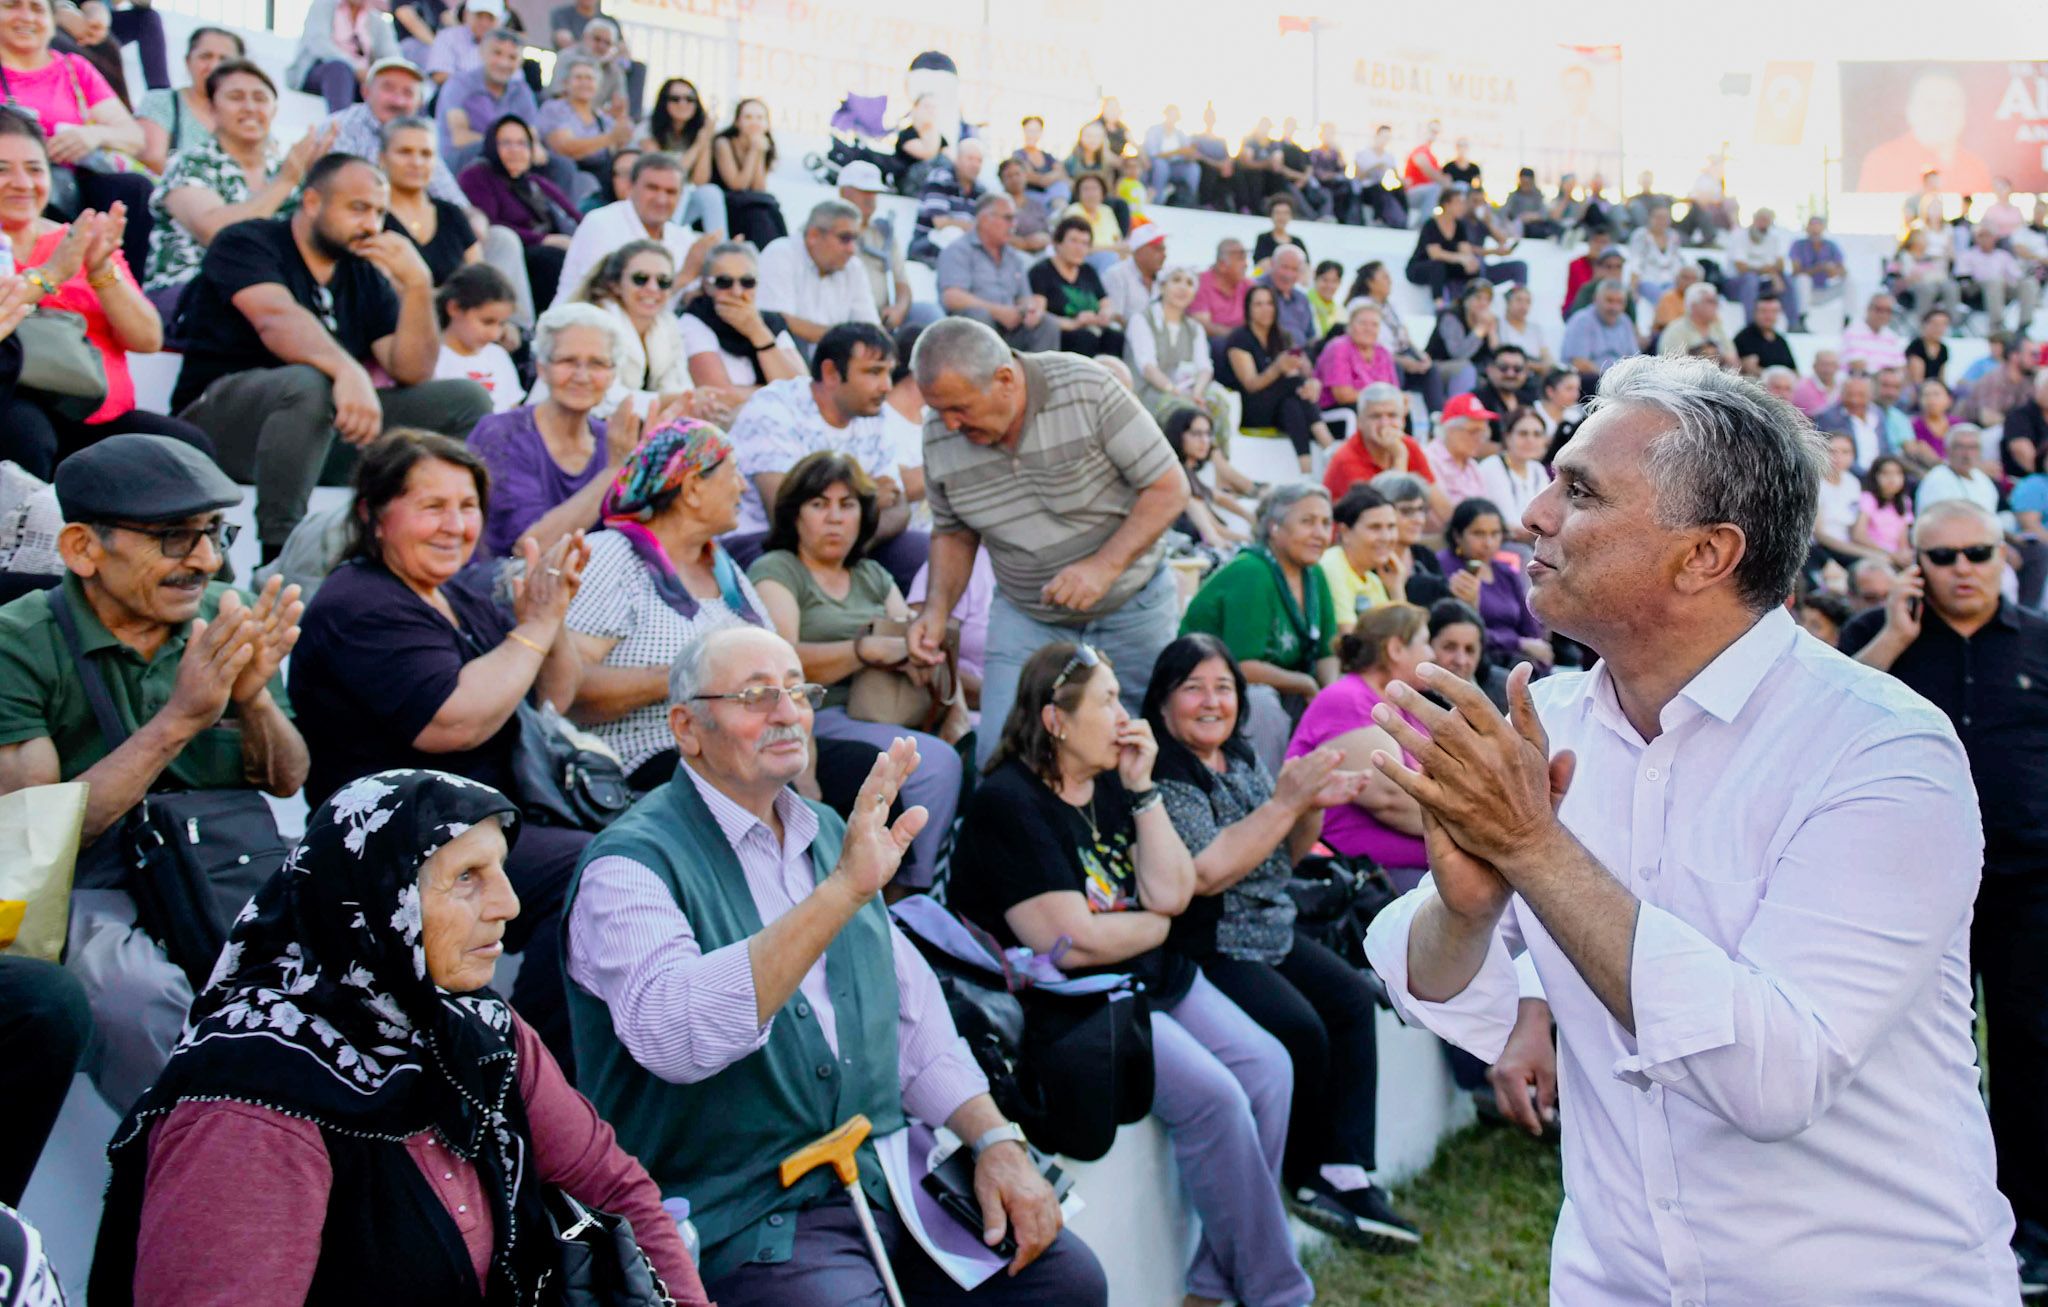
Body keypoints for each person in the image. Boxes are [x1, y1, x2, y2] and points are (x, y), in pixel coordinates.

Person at [1361, 353, 2017, 1304]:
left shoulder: (1883, 750)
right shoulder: (1552, 724)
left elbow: (1774, 1077)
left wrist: (1536, 849)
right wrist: (1465, 910)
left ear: (1706, 553)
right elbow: (1429, 980)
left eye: (1578, 489)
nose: (1535, 515)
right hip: (1616, 1278)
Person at [564, 625, 1105, 1303]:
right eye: (756, 695)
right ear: (687, 726)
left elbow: (914, 1025)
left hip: (883, 1180)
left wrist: (997, 1141)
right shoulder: (628, 865)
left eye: (797, 690)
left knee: (1065, 1281)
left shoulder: (826, 832)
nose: (788, 711)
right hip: (743, 1216)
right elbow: (679, 1037)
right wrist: (843, 891)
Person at [88, 769, 711, 1307]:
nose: (509, 903)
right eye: (467, 877)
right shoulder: (253, 1104)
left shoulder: (475, 1028)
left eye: (500, 870)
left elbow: (614, 1188)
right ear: (375, 900)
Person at [949, 638, 1306, 1306]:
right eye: (1107, 700)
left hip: (1150, 976)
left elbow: (1170, 893)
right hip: (1082, 1003)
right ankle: (1279, 1292)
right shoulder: (1010, 802)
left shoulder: (1119, 781)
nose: (1123, 715)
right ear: (1056, 717)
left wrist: (1143, 792)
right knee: (1219, 1100)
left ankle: (1212, 1282)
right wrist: (1153, 924)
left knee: (1269, 1070)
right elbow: (1072, 942)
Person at [0, 435, 305, 1115]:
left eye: (214, 533)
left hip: (220, 859)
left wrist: (253, 699)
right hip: (87, 882)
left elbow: (288, 779)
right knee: (138, 1001)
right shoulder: (17, 640)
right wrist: (178, 720)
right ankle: (198, 1169)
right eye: (173, 537)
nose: (205, 560)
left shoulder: (226, 613)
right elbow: (34, 843)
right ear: (83, 548)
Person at [1140, 633, 1420, 1249]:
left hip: (1269, 925)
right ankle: (1305, 1175)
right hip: (1211, 942)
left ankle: (1346, 1171)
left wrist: (1310, 808)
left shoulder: (1238, 759)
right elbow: (1208, 873)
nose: (1213, 702)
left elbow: (1288, 852)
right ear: (1162, 703)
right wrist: (1287, 803)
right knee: (1301, 1029)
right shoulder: (1163, 775)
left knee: (1351, 1000)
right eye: (1194, 689)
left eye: (1223, 688)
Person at [169, 153, 494, 562]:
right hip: (223, 429)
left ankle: (422, 540)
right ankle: (279, 557)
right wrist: (346, 369)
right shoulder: (248, 241)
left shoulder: (362, 272)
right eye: (358, 208)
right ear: (311, 203)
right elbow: (275, 318)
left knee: (467, 400)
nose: (371, 225)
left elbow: (412, 369)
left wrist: (417, 284)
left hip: (320, 437)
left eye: (379, 211)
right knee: (310, 382)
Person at [909, 317, 1188, 769]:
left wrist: (1104, 566)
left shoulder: (1086, 387)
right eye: (937, 410)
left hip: (1130, 608)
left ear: (1004, 379)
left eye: (959, 408)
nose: (948, 423)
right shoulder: (939, 434)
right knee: (1001, 758)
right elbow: (954, 533)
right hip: (1028, 614)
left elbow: (1169, 487)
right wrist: (936, 611)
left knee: (1141, 751)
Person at [747, 450, 964, 888]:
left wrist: (929, 666)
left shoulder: (872, 575)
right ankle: (914, 891)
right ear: (794, 515)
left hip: (882, 710)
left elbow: (908, 637)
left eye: (846, 505)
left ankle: (919, 888)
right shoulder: (778, 570)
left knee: (955, 749)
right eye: (819, 504)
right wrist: (861, 651)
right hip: (813, 715)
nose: (834, 519)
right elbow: (779, 660)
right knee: (935, 763)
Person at [565, 418, 769, 788]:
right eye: (734, 473)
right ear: (692, 488)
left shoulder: (726, 570)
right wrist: (692, 676)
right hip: (644, 767)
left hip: (741, 755)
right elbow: (569, 688)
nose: (742, 487)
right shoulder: (612, 557)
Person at [0, 113, 209, 464]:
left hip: (97, 414)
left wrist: (100, 269)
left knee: (188, 448)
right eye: (3, 169)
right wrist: (51, 274)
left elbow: (147, 339)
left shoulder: (79, 238)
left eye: (35, 169)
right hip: (16, 408)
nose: (22, 183)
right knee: (27, 434)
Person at [726, 323, 925, 582]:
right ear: (831, 373)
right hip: (763, 542)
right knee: (784, 567)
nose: (886, 386)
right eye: (874, 372)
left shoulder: (876, 414)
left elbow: (899, 509)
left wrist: (850, 544)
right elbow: (783, 515)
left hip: (843, 540)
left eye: (889, 373)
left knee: (918, 549)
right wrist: (868, 497)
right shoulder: (775, 408)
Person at [143, 60, 333, 320]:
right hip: (188, 292)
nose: (250, 107)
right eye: (235, 98)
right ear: (211, 108)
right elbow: (218, 233)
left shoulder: (285, 170)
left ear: (274, 109)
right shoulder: (190, 162)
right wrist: (286, 182)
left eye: (260, 98)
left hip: (272, 295)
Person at [1179, 484, 1338, 767]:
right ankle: (1270, 800)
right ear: (1275, 527)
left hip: (1286, 689)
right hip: (1212, 690)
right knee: (1263, 703)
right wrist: (1306, 684)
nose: (1320, 533)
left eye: (1326, 523)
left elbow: (1327, 654)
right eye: (1307, 522)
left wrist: (1332, 699)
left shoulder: (1315, 575)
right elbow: (1243, 667)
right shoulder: (1251, 571)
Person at [1284, 603, 1433, 889]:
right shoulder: (1347, 697)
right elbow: (1391, 799)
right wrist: (1476, 831)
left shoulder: (1405, 706)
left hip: (1411, 870)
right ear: (1395, 649)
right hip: (1364, 879)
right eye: (1425, 643)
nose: (1432, 655)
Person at [0, 0, 151, 272]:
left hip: (70, 186)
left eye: (37, 9)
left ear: (52, 21)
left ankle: (122, 289)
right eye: (12, 6)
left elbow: (134, 137)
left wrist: (92, 135)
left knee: (134, 189)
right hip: (9, 182)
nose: (26, 17)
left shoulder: (73, 69)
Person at [551, 151, 708, 311]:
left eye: (671, 192)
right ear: (631, 187)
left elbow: (689, 298)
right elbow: (608, 298)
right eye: (652, 188)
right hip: (582, 325)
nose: (662, 199)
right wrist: (684, 277)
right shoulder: (601, 222)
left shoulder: (682, 236)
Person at [458, 113, 577, 311]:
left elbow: (574, 215)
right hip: (513, 255)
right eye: (506, 143)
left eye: (522, 144)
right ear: (492, 145)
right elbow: (491, 224)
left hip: (553, 247)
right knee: (552, 258)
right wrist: (544, 239)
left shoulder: (536, 183)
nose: (515, 150)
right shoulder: (477, 176)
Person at [1227, 283, 1333, 474]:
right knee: (1293, 385)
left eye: (1269, 303)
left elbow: (1301, 370)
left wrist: (1310, 381)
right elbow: (1251, 385)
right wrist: (1277, 368)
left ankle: (1306, 470)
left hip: (1281, 404)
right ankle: (1329, 445)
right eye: (1258, 304)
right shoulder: (1240, 338)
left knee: (1292, 405)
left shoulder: (1283, 336)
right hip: (1253, 408)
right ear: (1248, 309)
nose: (1265, 309)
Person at [934, 192, 1059, 351]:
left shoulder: (1013, 256)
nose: (1013, 224)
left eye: (1015, 218)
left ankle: (1035, 374)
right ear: (985, 219)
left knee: (1047, 324)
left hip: (1010, 327)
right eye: (1008, 218)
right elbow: (952, 297)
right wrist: (998, 312)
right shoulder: (958, 250)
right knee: (978, 315)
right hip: (969, 332)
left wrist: (1028, 311)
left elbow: (1024, 297)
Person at [1126, 264, 1238, 440]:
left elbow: (1204, 367)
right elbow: (1146, 367)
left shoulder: (1194, 328)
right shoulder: (1141, 320)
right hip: (1150, 391)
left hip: (1187, 390)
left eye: (1189, 283)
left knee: (1218, 402)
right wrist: (1176, 391)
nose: (1183, 288)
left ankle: (1215, 460)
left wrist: (1197, 393)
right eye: (1176, 280)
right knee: (1183, 409)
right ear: (1162, 287)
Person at [755, 198, 880, 354]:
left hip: (838, 359)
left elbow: (871, 330)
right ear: (813, 235)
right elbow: (777, 321)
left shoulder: (853, 266)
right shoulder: (780, 253)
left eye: (856, 239)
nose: (852, 249)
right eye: (845, 238)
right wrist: (846, 340)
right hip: (789, 356)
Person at [679, 240, 804, 395]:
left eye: (747, 282)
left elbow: (802, 390)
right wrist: (779, 394)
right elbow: (718, 394)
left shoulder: (770, 322)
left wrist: (757, 331)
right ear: (706, 285)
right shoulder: (694, 321)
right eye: (724, 282)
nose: (737, 292)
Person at [378, 115, 480, 287]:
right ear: (382, 159)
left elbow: (480, 281)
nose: (416, 162)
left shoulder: (452, 214)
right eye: (405, 152)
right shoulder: (373, 219)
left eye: (426, 154)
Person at [1323, 383, 1445, 517]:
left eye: (1392, 415)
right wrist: (1399, 457)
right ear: (1360, 422)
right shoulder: (1346, 458)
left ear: (1403, 420)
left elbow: (1440, 507)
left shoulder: (1409, 445)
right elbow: (1385, 516)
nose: (1384, 424)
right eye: (1375, 416)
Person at [135, 25, 242, 174]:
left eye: (224, 59)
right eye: (206, 56)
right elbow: (151, 159)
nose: (214, 66)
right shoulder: (162, 101)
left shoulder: (247, 115)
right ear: (188, 61)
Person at [432, 28, 538, 175]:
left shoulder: (522, 90)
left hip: (508, 159)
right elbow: (460, 138)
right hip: (461, 161)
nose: (504, 63)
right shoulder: (459, 83)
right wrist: (509, 145)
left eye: (512, 57)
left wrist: (522, 148)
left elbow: (533, 140)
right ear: (482, 54)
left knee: (558, 165)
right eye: (497, 53)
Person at [535, 52, 633, 208]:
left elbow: (619, 149)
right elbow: (564, 148)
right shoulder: (555, 109)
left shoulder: (603, 119)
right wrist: (609, 138)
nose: (584, 83)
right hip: (565, 177)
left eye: (590, 79)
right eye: (578, 78)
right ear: (565, 83)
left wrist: (622, 124)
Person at [636, 76, 724, 235]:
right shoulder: (647, 128)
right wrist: (699, 144)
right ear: (664, 102)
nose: (683, 104)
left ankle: (720, 248)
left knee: (710, 192)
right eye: (675, 99)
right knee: (677, 187)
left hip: (682, 201)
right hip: (652, 199)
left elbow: (699, 181)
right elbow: (665, 173)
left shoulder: (699, 131)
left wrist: (705, 141)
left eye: (689, 99)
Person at [1030, 215, 1124, 359]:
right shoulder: (1042, 271)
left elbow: (1106, 304)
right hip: (1061, 334)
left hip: (1091, 328)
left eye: (1085, 243)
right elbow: (1038, 314)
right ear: (1058, 243)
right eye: (1073, 241)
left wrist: (1104, 315)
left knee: (1115, 338)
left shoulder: (1088, 271)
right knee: (1084, 339)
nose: (1079, 248)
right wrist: (1074, 323)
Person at [433, 261, 520, 411]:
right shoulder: (433, 359)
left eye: (501, 324)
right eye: (487, 322)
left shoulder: (498, 356)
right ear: (454, 308)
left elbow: (512, 413)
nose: (495, 334)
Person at [288, 0, 399, 112]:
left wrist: (373, 74)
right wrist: (356, 68)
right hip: (323, 72)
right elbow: (319, 44)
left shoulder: (377, 20)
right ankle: (341, 124)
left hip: (362, 80)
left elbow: (392, 56)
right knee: (339, 69)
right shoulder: (322, 6)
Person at [1163, 406, 1246, 548]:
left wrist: (1251, 518)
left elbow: (1218, 496)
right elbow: (1215, 530)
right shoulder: (1178, 474)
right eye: (1197, 434)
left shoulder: (1189, 472)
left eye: (1208, 434)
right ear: (1178, 434)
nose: (1204, 441)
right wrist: (1252, 540)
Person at [1319, 483, 1398, 631]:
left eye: (1391, 527)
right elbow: (1347, 639)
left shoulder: (1372, 580)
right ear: (1345, 532)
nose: (1386, 537)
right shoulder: (1333, 565)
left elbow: (1401, 636)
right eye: (1375, 527)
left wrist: (1396, 589)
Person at [548, 0, 644, 120]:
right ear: (585, 37)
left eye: (607, 43)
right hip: (565, 117)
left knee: (638, 67)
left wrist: (615, 59)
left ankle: (635, 120)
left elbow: (620, 105)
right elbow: (558, 95)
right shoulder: (566, 57)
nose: (601, 46)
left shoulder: (613, 69)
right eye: (597, 39)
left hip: (595, 120)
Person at [907, 135, 984, 265]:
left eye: (979, 160)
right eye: (970, 159)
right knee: (953, 233)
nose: (975, 164)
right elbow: (941, 223)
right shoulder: (940, 178)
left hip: (961, 249)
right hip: (927, 246)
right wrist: (975, 227)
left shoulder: (981, 190)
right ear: (958, 159)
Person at [1478, 408, 1553, 539]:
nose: (1530, 440)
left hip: (1535, 539)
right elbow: (1509, 521)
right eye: (1523, 433)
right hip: (1501, 541)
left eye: (1537, 434)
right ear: (1507, 437)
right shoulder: (1492, 466)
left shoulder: (1537, 469)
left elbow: (1547, 513)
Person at [1427, 597, 1510, 711]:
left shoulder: (1505, 689)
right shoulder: (1413, 695)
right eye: (1449, 647)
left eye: (1470, 650)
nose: (1461, 661)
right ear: (1428, 645)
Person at [1955, 223, 2038, 334]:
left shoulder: (2003, 255)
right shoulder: (1967, 255)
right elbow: (1963, 279)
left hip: (2002, 291)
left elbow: (2018, 276)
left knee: (2028, 283)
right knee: (1994, 282)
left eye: (1988, 235)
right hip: (1975, 292)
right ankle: (1996, 326)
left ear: (1995, 237)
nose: (1985, 239)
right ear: (1975, 238)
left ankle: (2024, 326)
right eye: (1981, 235)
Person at [1315, 302, 1397, 411]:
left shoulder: (1383, 352)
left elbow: (1394, 391)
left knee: (1400, 410)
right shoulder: (1338, 348)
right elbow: (1343, 396)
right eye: (1363, 323)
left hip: (1375, 406)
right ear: (1350, 326)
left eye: (1374, 325)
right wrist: (1381, 399)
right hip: (1341, 410)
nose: (1368, 329)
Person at [1560, 279, 1639, 391]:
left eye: (1619, 302)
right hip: (1592, 381)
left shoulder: (1625, 321)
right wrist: (1611, 378)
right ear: (1595, 299)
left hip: (1620, 381)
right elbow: (1579, 363)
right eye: (1609, 301)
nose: (1614, 307)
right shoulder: (1581, 320)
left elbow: (1634, 359)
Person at [1726, 207, 1795, 324]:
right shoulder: (1739, 236)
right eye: (1761, 220)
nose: (1764, 224)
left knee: (1786, 279)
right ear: (1754, 219)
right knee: (1750, 278)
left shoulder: (1773, 238)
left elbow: (1781, 265)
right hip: (1736, 284)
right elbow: (1741, 268)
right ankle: (1752, 324)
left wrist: (1774, 274)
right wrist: (1768, 270)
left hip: (1764, 282)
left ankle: (1794, 323)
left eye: (1767, 221)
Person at [1854, 454, 1916, 565]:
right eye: (1885, 473)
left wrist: (1903, 557)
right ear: (1875, 476)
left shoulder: (1905, 501)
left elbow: (1903, 541)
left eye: (1897, 473)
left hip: (1895, 557)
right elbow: (1859, 535)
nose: (1892, 479)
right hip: (1874, 555)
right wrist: (1890, 554)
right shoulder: (1868, 498)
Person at [420, 0, 499, 86]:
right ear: (466, 15)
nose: (484, 23)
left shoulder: (506, 43)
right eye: (479, 16)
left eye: (490, 18)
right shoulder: (448, 37)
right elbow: (438, 76)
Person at [1099, 220, 1164, 324]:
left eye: (1164, 250)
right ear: (1139, 251)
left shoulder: (1164, 277)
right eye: (1158, 249)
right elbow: (1115, 317)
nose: (1164, 255)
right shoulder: (1116, 275)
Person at [1656, 282, 1736, 366]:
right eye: (1710, 301)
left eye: (1716, 301)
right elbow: (1672, 364)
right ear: (1694, 305)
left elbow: (1733, 360)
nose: (1716, 305)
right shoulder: (1676, 330)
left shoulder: (1717, 327)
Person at [1790, 215, 1848, 329]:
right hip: (1804, 291)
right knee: (1803, 279)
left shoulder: (1831, 245)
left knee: (1850, 282)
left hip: (1824, 289)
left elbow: (1843, 270)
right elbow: (1796, 271)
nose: (1815, 229)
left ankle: (1848, 321)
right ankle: (1802, 319)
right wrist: (1819, 268)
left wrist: (1834, 271)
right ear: (1807, 228)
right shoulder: (1798, 245)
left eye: (1818, 225)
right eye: (1812, 225)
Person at [1144, 103, 1201, 206]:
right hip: (1157, 165)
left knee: (1193, 168)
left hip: (1176, 166)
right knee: (1161, 166)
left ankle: (1190, 201)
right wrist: (1177, 151)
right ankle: (1157, 201)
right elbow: (1153, 154)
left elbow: (1186, 153)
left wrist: (1190, 154)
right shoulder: (1154, 130)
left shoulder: (1180, 134)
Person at [1841, 291, 1909, 375]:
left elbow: (1901, 367)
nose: (1883, 314)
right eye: (1879, 309)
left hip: (1888, 383)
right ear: (1868, 309)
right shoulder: (1853, 331)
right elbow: (1857, 365)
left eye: (1888, 311)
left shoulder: (1891, 336)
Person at [1011, 113, 1070, 210]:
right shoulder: (1019, 154)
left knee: (1061, 186)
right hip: (1031, 195)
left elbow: (1061, 173)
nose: (1032, 135)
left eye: (1036, 131)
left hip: (1050, 195)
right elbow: (1028, 175)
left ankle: (1058, 214)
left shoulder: (1047, 156)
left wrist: (1047, 178)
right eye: (1030, 130)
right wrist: (1050, 177)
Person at [1732, 294, 1795, 377]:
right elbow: (1749, 369)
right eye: (1764, 311)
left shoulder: (1781, 341)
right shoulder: (1744, 338)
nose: (1769, 316)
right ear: (1755, 312)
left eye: (1773, 311)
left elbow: (1794, 371)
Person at [1497, 283, 1555, 372]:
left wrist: (1545, 366)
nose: (1523, 306)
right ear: (1508, 302)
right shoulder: (1499, 324)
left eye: (1528, 301)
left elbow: (1547, 356)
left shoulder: (1536, 329)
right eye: (1519, 300)